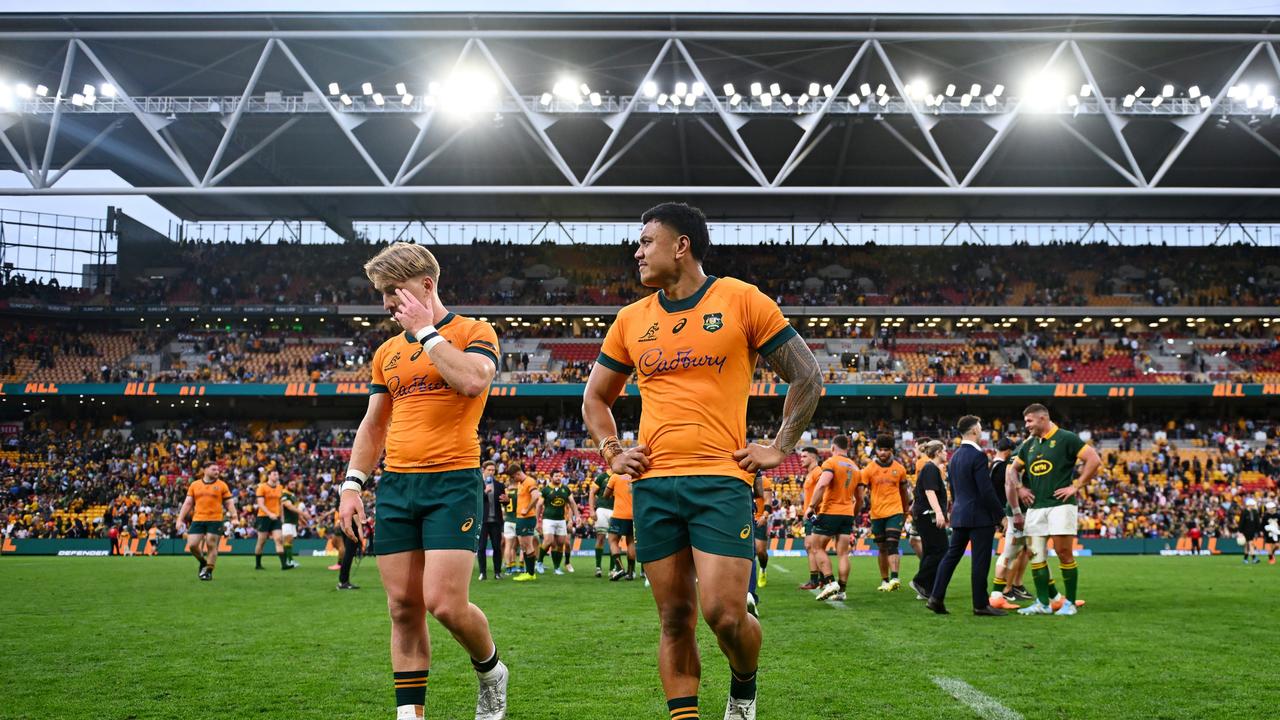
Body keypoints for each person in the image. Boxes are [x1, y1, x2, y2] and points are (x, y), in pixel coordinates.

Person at [582, 202, 822, 720]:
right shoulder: (630, 320)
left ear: (681, 245)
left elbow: (807, 375)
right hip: (653, 484)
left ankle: (743, 685)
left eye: (647, 241)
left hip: (720, 481)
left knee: (725, 615)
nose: (637, 251)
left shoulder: (741, 300)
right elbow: (595, 398)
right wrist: (611, 451)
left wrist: (780, 446)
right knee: (674, 619)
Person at [337, 241, 508, 720]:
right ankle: (409, 715)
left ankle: (491, 671)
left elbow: (473, 381)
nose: (388, 304)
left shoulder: (475, 331)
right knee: (402, 607)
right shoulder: (387, 352)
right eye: (382, 295)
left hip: (453, 482)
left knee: (446, 605)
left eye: (394, 292)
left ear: (426, 285)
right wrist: (352, 485)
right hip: (396, 486)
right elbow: (374, 424)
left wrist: (427, 333)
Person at [1007, 403, 1101, 617]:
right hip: (1036, 508)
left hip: (1061, 506)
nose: (1026, 425)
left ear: (1042, 418)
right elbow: (1013, 470)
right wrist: (1020, 488)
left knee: (1064, 553)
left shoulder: (1066, 438)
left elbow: (1093, 459)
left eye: (1029, 421)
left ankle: (1069, 603)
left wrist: (1076, 485)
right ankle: (1043, 603)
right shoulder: (1028, 445)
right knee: (1035, 555)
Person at [926, 416, 1006, 616]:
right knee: (979, 561)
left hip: (960, 514)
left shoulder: (954, 457)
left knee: (951, 557)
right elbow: (986, 491)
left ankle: (936, 597)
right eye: (980, 427)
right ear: (974, 431)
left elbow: (953, 488)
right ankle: (980, 604)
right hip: (979, 517)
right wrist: (1001, 516)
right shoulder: (978, 456)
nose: (982, 431)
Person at [807, 435, 860, 602]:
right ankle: (842, 591)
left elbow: (822, 484)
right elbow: (861, 498)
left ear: (832, 448)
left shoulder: (831, 462)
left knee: (816, 547)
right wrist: (853, 514)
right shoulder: (856, 467)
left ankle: (830, 582)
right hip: (847, 513)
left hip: (830, 511)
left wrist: (811, 506)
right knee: (843, 553)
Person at [858, 434, 911, 592]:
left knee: (892, 544)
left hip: (895, 511)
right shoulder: (869, 469)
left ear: (891, 451)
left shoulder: (899, 469)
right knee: (882, 548)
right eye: (880, 449)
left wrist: (906, 510)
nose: (882, 452)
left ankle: (895, 577)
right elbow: (861, 490)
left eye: (886, 450)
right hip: (877, 514)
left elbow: (904, 492)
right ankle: (885, 580)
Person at [176, 463, 238, 581]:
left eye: (218, 470)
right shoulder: (195, 485)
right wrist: (179, 519)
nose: (217, 471)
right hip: (198, 519)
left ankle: (208, 571)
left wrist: (235, 517)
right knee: (192, 545)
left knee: (211, 543)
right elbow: (188, 503)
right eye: (213, 469)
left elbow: (229, 503)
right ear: (205, 470)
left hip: (215, 519)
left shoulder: (222, 485)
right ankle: (203, 562)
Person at [989, 438, 1028, 610]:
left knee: (1016, 551)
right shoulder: (1003, 467)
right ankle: (1007, 588)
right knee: (1013, 552)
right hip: (1010, 513)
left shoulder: (994, 466)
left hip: (1007, 512)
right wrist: (1002, 516)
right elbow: (1005, 489)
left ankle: (1010, 587)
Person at [909, 440, 948, 602]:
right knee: (941, 549)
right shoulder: (931, 468)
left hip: (923, 513)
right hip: (928, 514)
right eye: (944, 450)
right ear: (938, 452)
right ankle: (920, 581)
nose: (946, 453)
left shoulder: (930, 468)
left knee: (931, 550)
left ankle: (926, 588)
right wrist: (939, 512)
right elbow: (930, 491)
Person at [538, 470, 578, 576]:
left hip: (561, 520)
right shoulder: (546, 490)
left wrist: (577, 516)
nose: (558, 478)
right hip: (548, 519)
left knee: (560, 544)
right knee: (548, 541)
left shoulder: (565, 489)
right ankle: (539, 562)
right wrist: (538, 520)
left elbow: (572, 503)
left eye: (560, 476)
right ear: (551, 477)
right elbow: (539, 505)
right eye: (556, 476)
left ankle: (556, 568)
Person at [253, 470, 292, 571]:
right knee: (261, 541)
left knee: (279, 539)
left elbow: (280, 503)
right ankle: (258, 564)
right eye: (274, 474)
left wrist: (282, 516)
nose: (277, 476)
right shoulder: (262, 487)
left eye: (277, 474)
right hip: (263, 517)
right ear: (269, 476)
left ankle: (284, 565)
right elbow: (260, 504)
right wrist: (269, 513)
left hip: (276, 517)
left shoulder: (280, 487)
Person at [797, 447, 824, 591]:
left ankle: (817, 580)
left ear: (813, 458)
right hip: (809, 515)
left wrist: (814, 510)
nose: (801, 459)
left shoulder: (818, 472)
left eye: (804, 456)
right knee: (811, 547)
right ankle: (819, 579)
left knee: (812, 546)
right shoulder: (810, 474)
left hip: (814, 515)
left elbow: (823, 490)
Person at [511, 463, 542, 582]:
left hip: (527, 518)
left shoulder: (529, 482)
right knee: (523, 545)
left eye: (514, 477)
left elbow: (536, 496)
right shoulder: (521, 483)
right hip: (521, 518)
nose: (514, 480)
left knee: (527, 544)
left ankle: (530, 573)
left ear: (518, 473)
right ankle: (528, 572)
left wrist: (527, 509)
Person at [477, 461, 506, 581]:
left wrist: (506, 500)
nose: (491, 472)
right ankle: (482, 573)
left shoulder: (499, 485)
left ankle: (497, 572)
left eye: (493, 470)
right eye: (489, 470)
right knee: (481, 547)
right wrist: (485, 492)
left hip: (496, 521)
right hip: (482, 520)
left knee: (497, 548)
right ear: (483, 470)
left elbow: (504, 501)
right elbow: (474, 500)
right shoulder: (478, 484)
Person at [605, 472, 636, 581]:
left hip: (619, 515)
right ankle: (631, 573)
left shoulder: (615, 476)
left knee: (613, 540)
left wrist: (615, 492)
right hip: (634, 515)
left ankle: (619, 568)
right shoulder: (635, 474)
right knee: (631, 542)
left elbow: (605, 495)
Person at [587, 467, 614, 577]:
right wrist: (591, 510)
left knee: (614, 540)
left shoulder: (622, 476)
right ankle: (598, 567)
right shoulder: (602, 476)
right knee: (600, 538)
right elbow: (592, 492)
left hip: (617, 510)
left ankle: (613, 569)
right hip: (602, 509)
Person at [281, 478, 308, 568]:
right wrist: (303, 513)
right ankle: (289, 561)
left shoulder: (292, 495)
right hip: (287, 521)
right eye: (291, 484)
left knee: (289, 542)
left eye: (294, 485)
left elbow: (295, 509)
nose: (293, 486)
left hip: (293, 522)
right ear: (287, 484)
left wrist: (301, 519)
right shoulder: (284, 494)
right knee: (287, 541)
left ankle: (289, 561)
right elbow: (289, 506)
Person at [752, 475, 774, 588]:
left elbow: (768, 501)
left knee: (760, 551)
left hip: (759, 519)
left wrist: (764, 516)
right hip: (744, 518)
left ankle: (763, 569)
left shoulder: (764, 480)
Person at [1239, 497, 1262, 564]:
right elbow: (1241, 523)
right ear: (1248, 505)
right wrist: (1240, 532)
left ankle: (1246, 559)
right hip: (1245, 531)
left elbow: (1257, 522)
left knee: (1248, 544)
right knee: (1249, 544)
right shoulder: (1244, 512)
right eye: (1252, 504)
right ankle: (1253, 558)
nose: (1253, 506)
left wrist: (1258, 530)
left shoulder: (1255, 512)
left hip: (1252, 531)